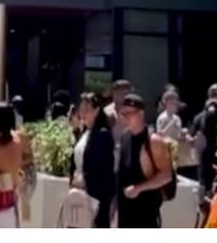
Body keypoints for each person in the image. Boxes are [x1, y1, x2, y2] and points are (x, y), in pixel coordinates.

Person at [115, 93, 173, 228]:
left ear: (140, 113)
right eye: (123, 114)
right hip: (124, 215)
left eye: (129, 113)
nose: (125, 118)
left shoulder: (153, 141)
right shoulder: (124, 138)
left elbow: (167, 175)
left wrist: (138, 189)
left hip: (146, 215)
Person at [72, 92, 115, 228]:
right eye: (81, 109)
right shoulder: (85, 133)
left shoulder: (102, 135)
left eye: (87, 109)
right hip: (80, 194)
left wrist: (85, 180)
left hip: (94, 199)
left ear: (96, 111)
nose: (82, 114)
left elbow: (103, 172)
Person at [156, 87, 191, 171]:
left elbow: (179, 135)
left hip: (175, 148)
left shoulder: (177, 118)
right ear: (167, 103)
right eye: (173, 103)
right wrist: (171, 124)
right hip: (164, 148)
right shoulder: (162, 117)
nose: (176, 105)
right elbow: (160, 134)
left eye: (176, 103)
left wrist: (184, 133)